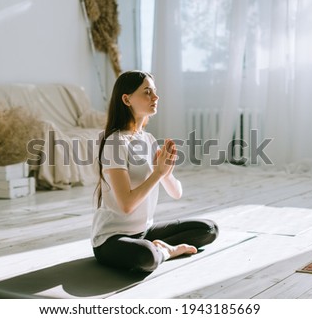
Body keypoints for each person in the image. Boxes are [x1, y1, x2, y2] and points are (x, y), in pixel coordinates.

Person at [91, 70, 218, 272]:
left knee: (209, 229)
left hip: (144, 231)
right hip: (112, 239)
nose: (155, 97)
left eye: (155, 91)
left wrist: (167, 172)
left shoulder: (148, 140)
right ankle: (165, 251)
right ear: (126, 99)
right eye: (147, 92)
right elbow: (126, 205)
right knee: (145, 256)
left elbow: (176, 193)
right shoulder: (115, 142)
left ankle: (156, 246)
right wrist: (157, 174)